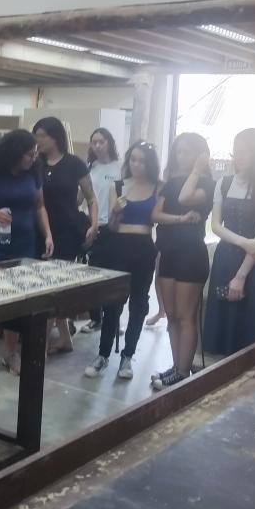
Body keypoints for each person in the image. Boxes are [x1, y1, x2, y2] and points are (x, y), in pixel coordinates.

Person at [0, 129, 54, 392]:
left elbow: (39, 206)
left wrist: (47, 234)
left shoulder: (33, 172)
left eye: (35, 154)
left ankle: (11, 353)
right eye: (28, 154)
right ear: (14, 153)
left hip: (23, 242)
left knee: (16, 300)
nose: (33, 158)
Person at [84, 141, 160, 380]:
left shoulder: (158, 187)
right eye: (133, 159)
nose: (137, 165)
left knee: (139, 303)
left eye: (142, 161)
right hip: (118, 247)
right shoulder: (117, 185)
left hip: (144, 247)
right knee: (112, 302)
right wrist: (115, 211)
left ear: (150, 164)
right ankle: (103, 354)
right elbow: (112, 227)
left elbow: (157, 219)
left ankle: (128, 356)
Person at [203, 128, 255, 356]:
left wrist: (240, 276)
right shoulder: (224, 184)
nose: (238, 156)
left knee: (251, 326)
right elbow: (216, 226)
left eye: (244, 151)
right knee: (223, 321)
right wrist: (244, 242)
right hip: (225, 259)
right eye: (235, 151)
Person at [149, 133, 216, 390]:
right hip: (169, 251)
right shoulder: (171, 182)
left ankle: (183, 371)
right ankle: (176, 365)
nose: (180, 157)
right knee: (172, 316)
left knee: (186, 316)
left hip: (191, 253)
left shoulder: (206, 184)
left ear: (200, 154)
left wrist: (197, 170)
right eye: (178, 151)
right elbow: (155, 214)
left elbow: (185, 199)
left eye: (187, 152)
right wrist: (179, 219)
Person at [33, 116, 98, 354]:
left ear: (55, 137)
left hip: (67, 231)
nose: (39, 141)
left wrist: (93, 224)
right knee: (43, 284)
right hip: (40, 230)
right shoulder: (35, 163)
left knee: (55, 285)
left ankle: (41, 344)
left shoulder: (74, 164)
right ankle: (64, 339)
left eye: (42, 136)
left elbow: (91, 198)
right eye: (36, 136)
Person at [83, 128, 121, 332]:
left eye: (101, 141)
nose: (97, 146)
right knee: (92, 273)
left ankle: (113, 319)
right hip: (92, 225)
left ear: (109, 143)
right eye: (94, 142)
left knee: (112, 274)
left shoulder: (120, 167)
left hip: (113, 226)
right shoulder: (90, 167)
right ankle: (95, 318)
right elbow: (82, 196)